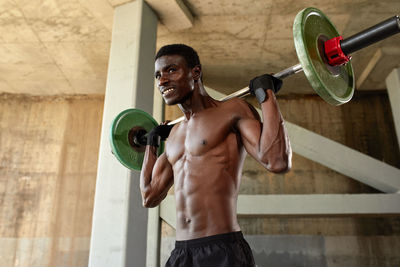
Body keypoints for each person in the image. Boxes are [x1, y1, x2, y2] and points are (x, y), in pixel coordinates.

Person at [140, 44, 292, 267]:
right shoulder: (173, 136)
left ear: (196, 72)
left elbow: (276, 160)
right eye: (158, 75)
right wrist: (152, 145)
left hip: (222, 250)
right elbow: (149, 196)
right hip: (182, 254)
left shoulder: (232, 111)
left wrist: (266, 95)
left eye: (171, 70)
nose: (162, 81)